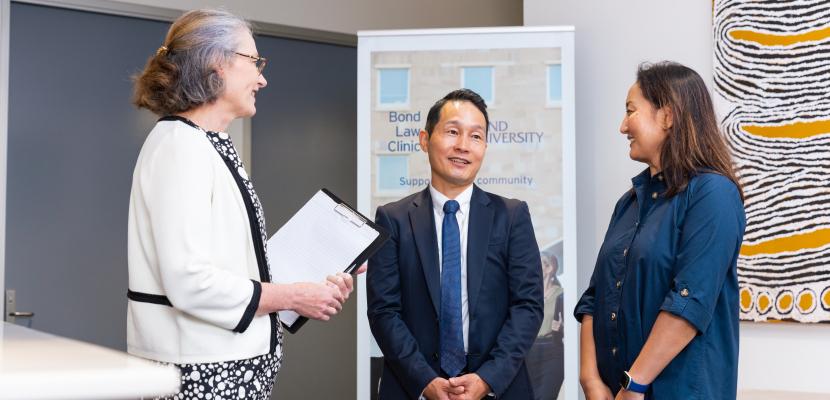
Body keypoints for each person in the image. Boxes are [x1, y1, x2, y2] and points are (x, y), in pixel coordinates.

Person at [127, 9, 357, 399]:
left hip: (224, 368)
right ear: (217, 64)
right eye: (254, 62)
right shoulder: (181, 147)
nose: (262, 78)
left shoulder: (206, 142)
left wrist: (329, 264)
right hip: (200, 373)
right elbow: (189, 280)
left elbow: (232, 263)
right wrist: (292, 297)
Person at [574, 61, 746, 400]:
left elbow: (689, 301)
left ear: (667, 116)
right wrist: (591, 381)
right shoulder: (630, 202)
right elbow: (594, 298)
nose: (623, 126)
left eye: (631, 111)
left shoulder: (714, 194)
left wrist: (634, 384)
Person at [367, 89, 544, 400]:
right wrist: (425, 381)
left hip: (497, 389)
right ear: (424, 139)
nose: (463, 145)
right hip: (414, 390)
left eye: (476, 136)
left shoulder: (512, 216)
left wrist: (487, 378)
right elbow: (384, 311)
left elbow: (527, 306)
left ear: (485, 147)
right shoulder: (392, 219)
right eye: (452, 132)